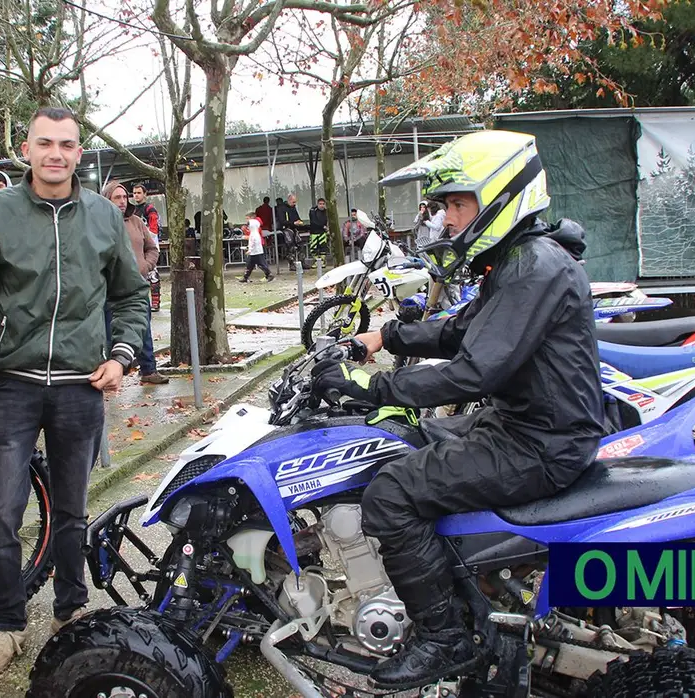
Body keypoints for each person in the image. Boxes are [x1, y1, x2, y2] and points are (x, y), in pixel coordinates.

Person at [312, 130, 603, 689]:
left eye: (456, 203)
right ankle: (457, 583)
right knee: (401, 443)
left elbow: (474, 371)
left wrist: (376, 389)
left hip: (541, 444)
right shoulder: (519, 259)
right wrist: (381, 339)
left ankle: (443, 638)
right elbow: (460, 331)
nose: (446, 219)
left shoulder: (535, 267)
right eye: (445, 205)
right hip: (524, 425)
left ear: (500, 196)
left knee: (391, 492)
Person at [0, 106, 148, 677]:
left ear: (79, 153)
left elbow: (131, 296)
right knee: (2, 513)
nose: (55, 153)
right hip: (8, 387)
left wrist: (121, 355)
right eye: (44, 143)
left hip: (79, 388)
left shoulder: (105, 217)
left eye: (66, 143)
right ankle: (8, 624)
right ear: (26, 151)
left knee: (71, 511)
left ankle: (70, 612)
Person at [103, 181, 168, 385]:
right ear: (107, 200)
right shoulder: (100, 223)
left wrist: (145, 267)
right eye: (117, 198)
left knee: (143, 327)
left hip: (137, 286)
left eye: (125, 197)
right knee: (108, 331)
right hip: (109, 289)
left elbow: (152, 248)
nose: (122, 201)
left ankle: (148, 370)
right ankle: (110, 373)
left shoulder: (137, 221)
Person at [128, 184, 161, 312]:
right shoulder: (132, 211)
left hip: (149, 245)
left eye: (138, 193)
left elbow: (154, 229)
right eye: (134, 193)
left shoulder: (150, 209)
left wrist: (145, 237)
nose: (136, 195)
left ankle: (155, 302)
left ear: (145, 194)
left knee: (153, 274)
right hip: (136, 247)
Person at [238, 211, 273, 282]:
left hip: (256, 251)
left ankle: (269, 274)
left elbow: (253, 242)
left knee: (261, 264)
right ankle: (246, 277)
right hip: (255, 251)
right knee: (250, 265)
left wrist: (250, 249)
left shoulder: (254, 233)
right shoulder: (254, 231)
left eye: (247, 219)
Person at [308, 196, 329, 260]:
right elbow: (314, 221)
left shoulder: (326, 211)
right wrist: (323, 226)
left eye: (323, 204)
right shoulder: (313, 210)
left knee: (323, 248)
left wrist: (328, 228)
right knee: (313, 249)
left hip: (323, 233)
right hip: (314, 232)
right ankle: (316, 262)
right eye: (320, 204)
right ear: (317, 204)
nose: (322, 205)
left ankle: (322, 262)